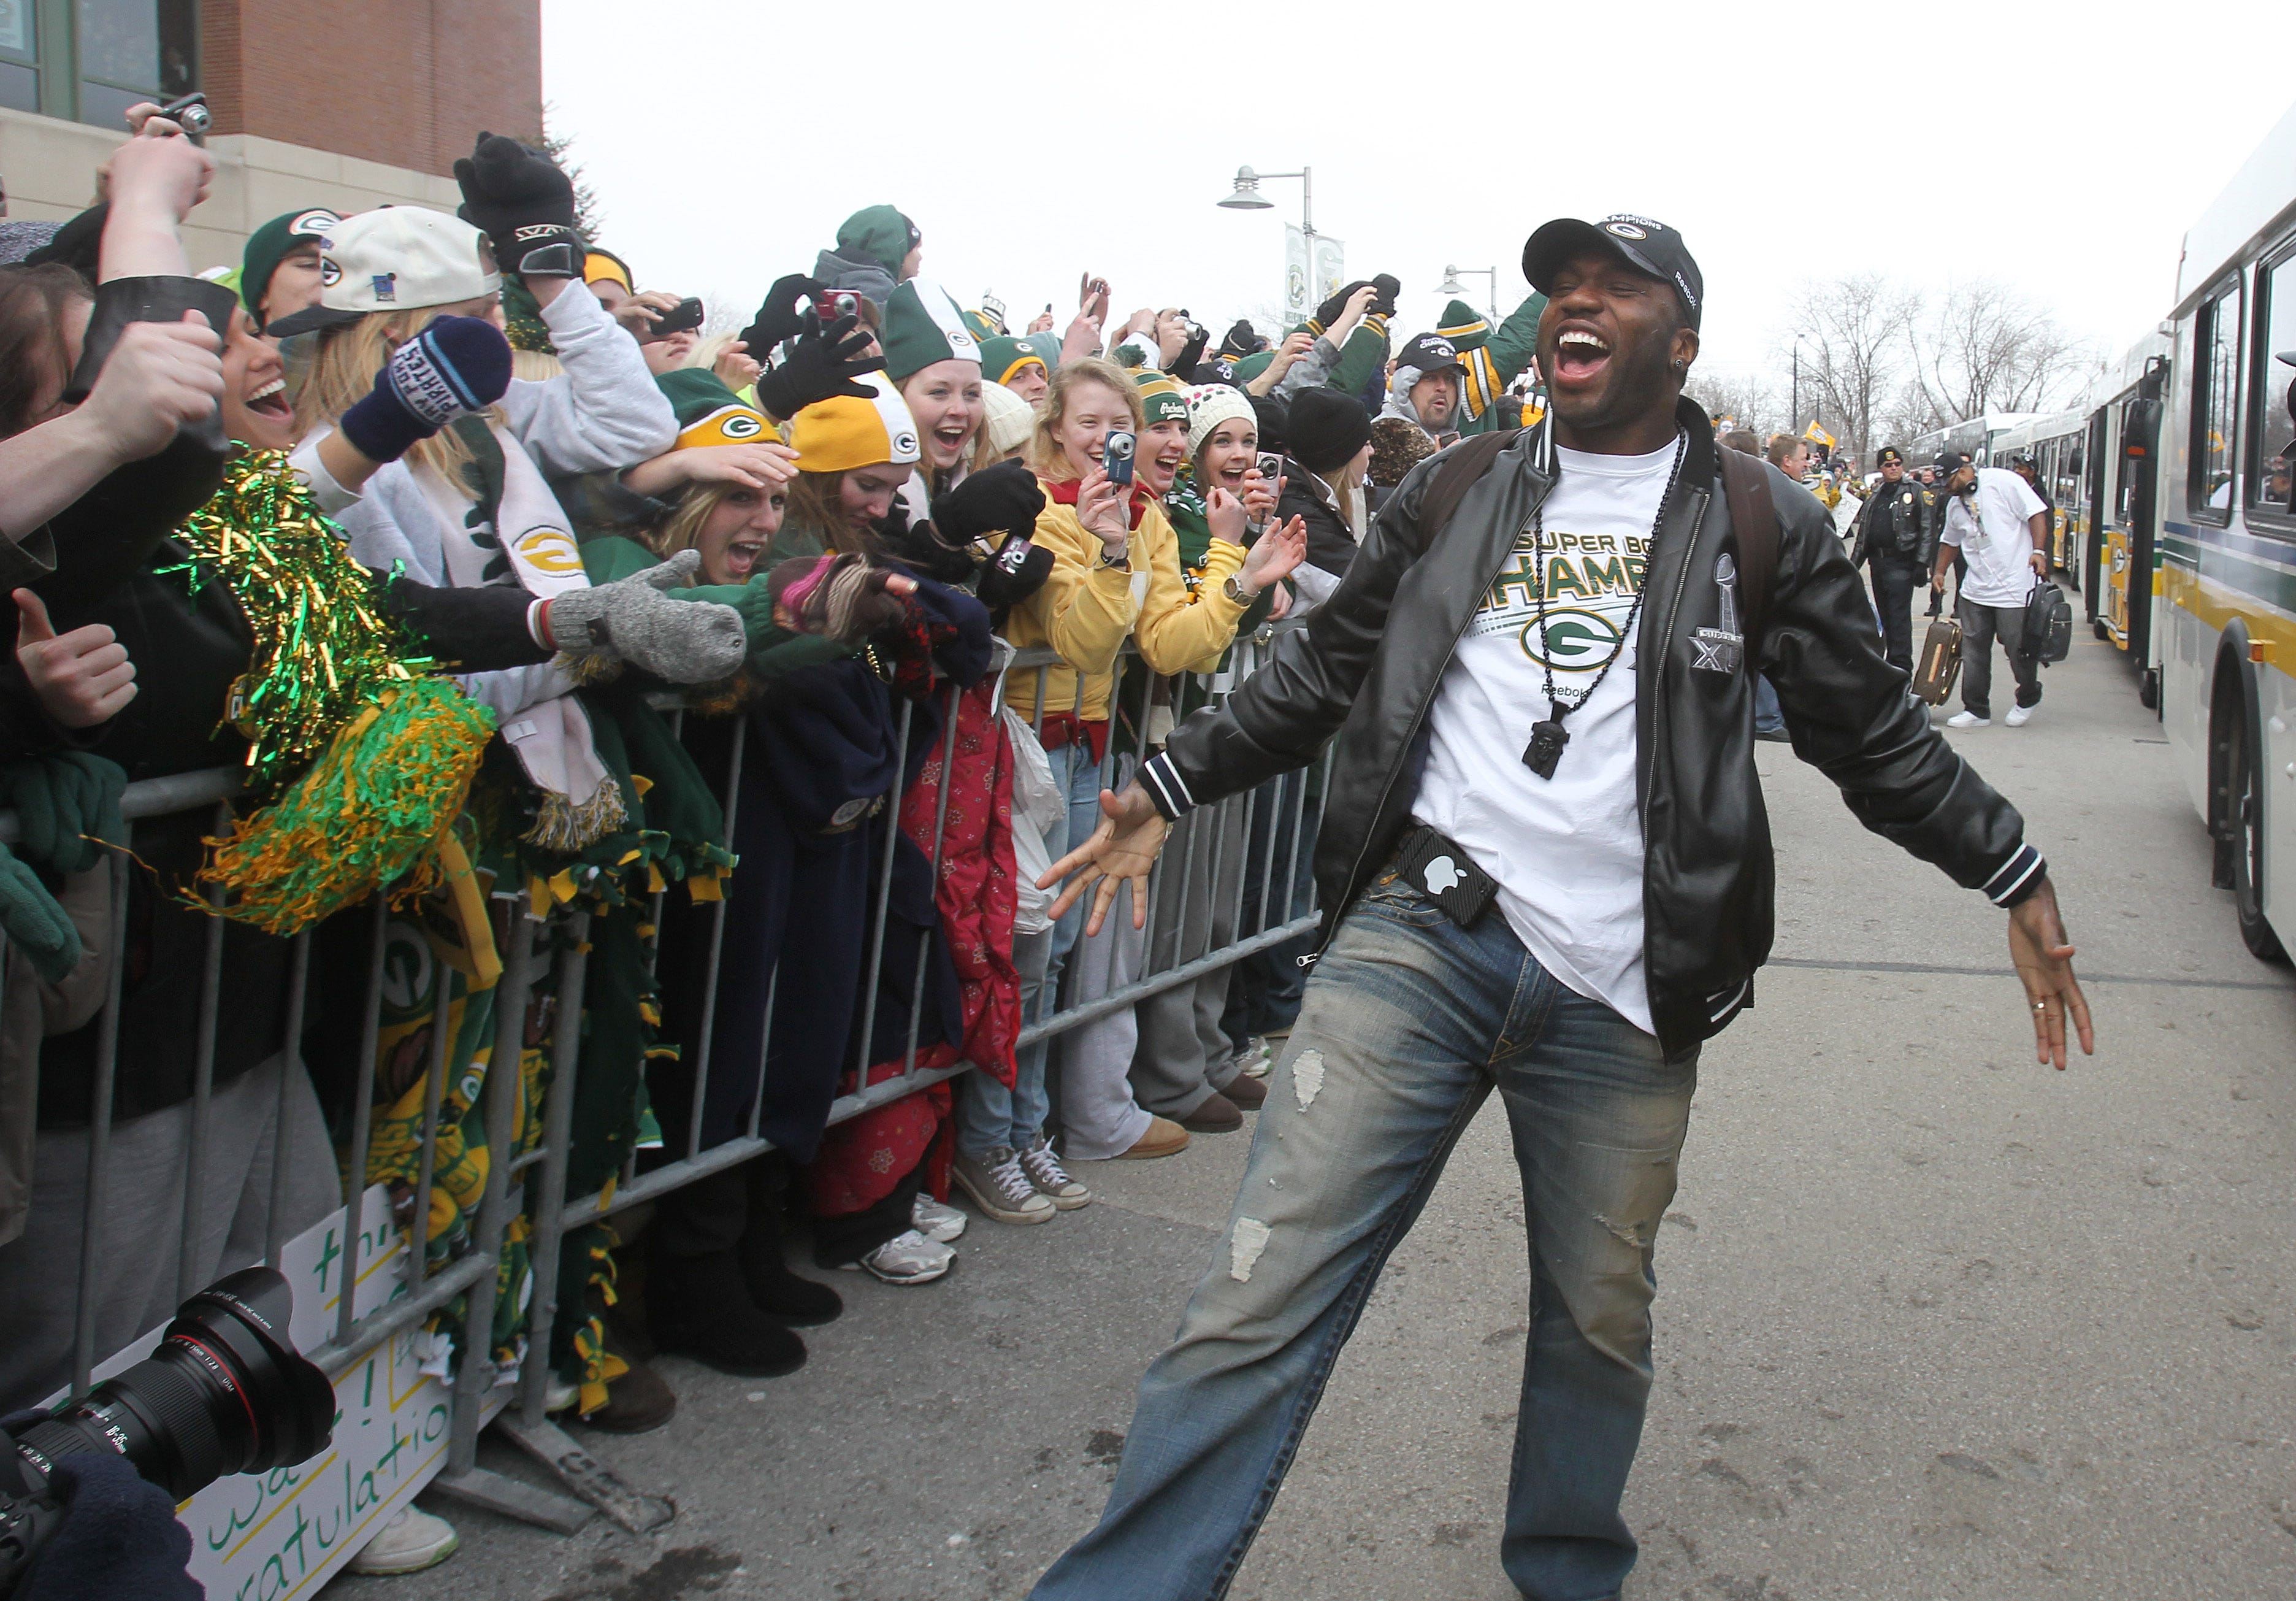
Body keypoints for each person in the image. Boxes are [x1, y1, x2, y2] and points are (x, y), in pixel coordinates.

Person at [1027, 211, 2092, 1601]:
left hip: (1625, 993)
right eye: (1558, 288)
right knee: (1255, 1290)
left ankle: (1564, 1573)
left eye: (1614, 288)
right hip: (1419, 937)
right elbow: (1323, 669)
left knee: (1594, 1323)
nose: (1572, 305)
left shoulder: (1761, 520)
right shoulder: (1459, 482)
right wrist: (1168, 777)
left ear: (1683, 340)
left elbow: (1870, 734)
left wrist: (2005, 862)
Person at [1932, 452, 2051, 728]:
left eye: (1949, 483)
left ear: (1963, 473)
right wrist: (1940, 572)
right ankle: (1976, 709)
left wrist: (2038, 551)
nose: (1947, 491)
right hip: (1976, 588)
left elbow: (2036, 513)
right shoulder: (1955, 507)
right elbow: (1949, 541)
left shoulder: (2002, 482)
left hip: (2014, 583)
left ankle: (2028, 695)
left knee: (2016, 647)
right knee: (1973, 650)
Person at [1274, 386, 1374, 613]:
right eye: (1365, 444)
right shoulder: (1298, 512)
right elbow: (1363, 587)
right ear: (1343, 455)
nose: (1372, 452)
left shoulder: (1309, 494)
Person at [1850, 445, 1935, 675]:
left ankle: (1902, 667)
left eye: (1897, 464)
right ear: (1881, 468)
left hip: (1902, 563)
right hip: (1878, 563)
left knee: (1899, 619)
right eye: (1889, 465)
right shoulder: (1876, 496)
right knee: (1885, 617)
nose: (1894, 468)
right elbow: (1864, 536)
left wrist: (1921, 564)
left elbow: (1927, 529)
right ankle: (1891, 665)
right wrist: (1850, 567)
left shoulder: (1916, 491)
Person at [813, 204, 922, 305]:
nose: (920, 258)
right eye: (916, 248)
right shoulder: (881, 292)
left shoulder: (821, 292)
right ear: (894, 249)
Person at [1377, 331, 1467, 447]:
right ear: (1405, 386)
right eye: (1430, 377)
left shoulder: (1455, 443)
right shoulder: (1381, 440)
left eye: (1450, 379)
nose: (1443, 387)